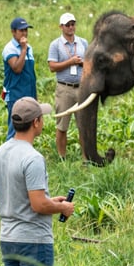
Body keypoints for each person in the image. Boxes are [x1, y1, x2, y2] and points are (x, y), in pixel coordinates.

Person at [0, 96, 75, 266]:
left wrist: (49, 201)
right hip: (33, 241)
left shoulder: (0, 152)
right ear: (36, 122)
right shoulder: (33, 158)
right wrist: (62, 207)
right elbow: (38, 205)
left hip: (8, 238)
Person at [47, 13, 88, 160]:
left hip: (81, 88)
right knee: (62, 125)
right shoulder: (55, 44)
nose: (71, 27)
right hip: (64, 89)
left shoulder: (83, 42)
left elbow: (90, 63)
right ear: (61, 27)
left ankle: (86, 158)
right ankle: (62, 157)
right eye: (67, 25)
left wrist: (82, 63)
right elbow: (52, 66)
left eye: (73, 24)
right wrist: (70, 62)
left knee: (83, 126)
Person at [2, 17, 37, 141]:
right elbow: (17, 68)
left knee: (28, 127)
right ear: (13, 32)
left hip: (28, 93)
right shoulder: (10, 48)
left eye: (26, 30)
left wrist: (34, 95)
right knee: (15, 128)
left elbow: (31, 74)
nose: (25, 33)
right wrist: (23, 50)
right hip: (15, 94)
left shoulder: (29, 48)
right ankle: (9, 151)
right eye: (21, 30)